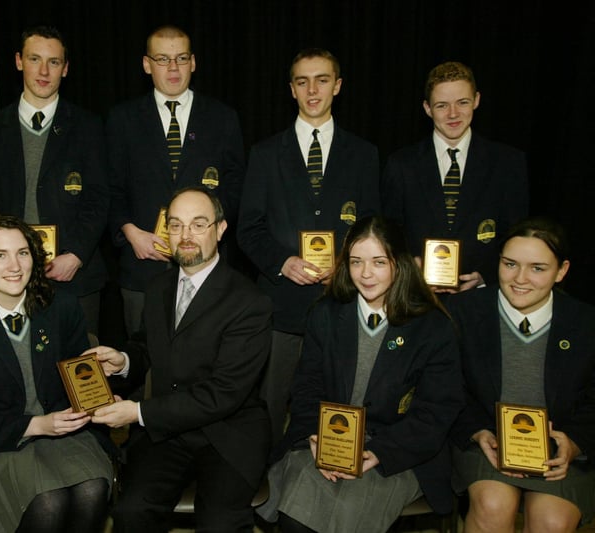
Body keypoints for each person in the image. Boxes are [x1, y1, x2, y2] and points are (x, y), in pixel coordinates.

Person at [257, 215, 464, 532]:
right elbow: (306, 389)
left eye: (379, 262)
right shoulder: (325, 314)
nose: (366, 274)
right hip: (324, 440)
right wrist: (316, 437)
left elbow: (436, 411)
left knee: (349, 507)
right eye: (356, 262)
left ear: (400, 263)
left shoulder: (432, 327)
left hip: (395, 451)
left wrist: (379, 453)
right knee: (296, 515)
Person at [91, 186, 272, 532]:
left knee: (220, 523)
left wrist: (138, 412)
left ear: (220, 230)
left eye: (198, 224)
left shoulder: (250, 302)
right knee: (130, 512)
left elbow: (224, 394)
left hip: (226, 435)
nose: (185, 236)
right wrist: (125, 360)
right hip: (167, 435)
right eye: (175, 225)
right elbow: (149, 346)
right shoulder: (159, 287)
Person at [237, 48, 380, 441]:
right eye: (302, 81)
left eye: (321, 80)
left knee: (337, 405)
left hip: (344, 305)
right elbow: (247, 228)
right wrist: (283, 262)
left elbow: (373, 229)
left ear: (338, 85)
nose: (312, 90)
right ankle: (265, 487)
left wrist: (350, 264)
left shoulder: (364, 155)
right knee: (270, 403)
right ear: (292, 89)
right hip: (281, 305)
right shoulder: (265, 154)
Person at [0, 214, 111, 533]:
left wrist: (101, 389)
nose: (14, 266)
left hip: (66, 432)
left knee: (92, 491)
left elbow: (80, 382)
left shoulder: (63, 308)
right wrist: (34, 424)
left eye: (22, 252)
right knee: (49, 503)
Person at [447, 217, 595, 532]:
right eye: (510, 264)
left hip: (559, 451)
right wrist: (477, 432)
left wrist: (574, 442)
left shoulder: (585, 323)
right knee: (493, 505)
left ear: (562, 271)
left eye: (537, 268)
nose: (520, 279)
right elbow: (445, 388)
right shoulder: (462, 312)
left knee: (553, 522)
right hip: (484, 442)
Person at [0, 25, 109, 336]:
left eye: (54, 62)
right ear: (19, 61)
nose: (43, 71)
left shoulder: (88, 127)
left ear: (66, 68)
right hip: (7, 276)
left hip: (73, 276)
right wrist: (1, 257)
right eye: (34, 59)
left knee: (80, 372)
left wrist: (76, 255)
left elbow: (99, 198)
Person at [107, 24, 246, 336]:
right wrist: (130, 233)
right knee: (144, 365)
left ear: (193, 63)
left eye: (181, 58)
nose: (173, 68)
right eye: (163, 59)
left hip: (206, 267)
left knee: (206, 361)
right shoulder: (122, 119)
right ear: (146, 64)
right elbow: (111, 187)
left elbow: (237, 185)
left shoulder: (222, 117)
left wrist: (204, 230)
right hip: (143, 268)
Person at [382, 61, 529, 293]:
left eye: (462, 102)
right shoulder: (401, 164)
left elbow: (517, 234)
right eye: (442, 105)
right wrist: (410, 266)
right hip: (418, 297)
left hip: (482, 297)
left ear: (477, 100)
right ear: (427, 108)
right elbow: (390, 231)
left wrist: (486, 274)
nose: (453, 114)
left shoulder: (508, 163)